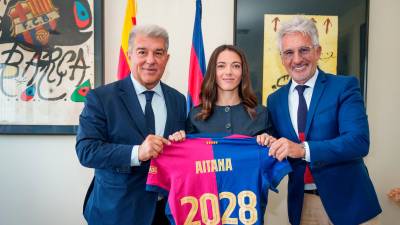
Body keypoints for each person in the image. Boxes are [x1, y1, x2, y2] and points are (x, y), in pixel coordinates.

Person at [259, 16, 381, 225]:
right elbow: (281, 148)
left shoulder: (344, 87)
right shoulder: (274, 100)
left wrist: (303, 150)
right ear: (281, 58)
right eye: (289, 52)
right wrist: (268, 142)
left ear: (318, 51)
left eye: (304, 50)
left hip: (350, 202)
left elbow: (359, 141)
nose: (297, 59)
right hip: (303, 205)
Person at [75, 24, 186, 225]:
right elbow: (87, 151)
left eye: (158, 53)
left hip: (166, 213)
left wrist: (181, 141)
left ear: (166, 59)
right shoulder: (101, 98)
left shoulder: (178, 100)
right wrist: (137, 153)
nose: (150, 60)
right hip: (116, 213)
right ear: (130, 55)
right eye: (142, 52)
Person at [170, 44, 274, 144]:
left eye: (236, 66)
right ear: (213, 72)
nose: (228, 72)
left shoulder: (261, 114)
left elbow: (274, 156)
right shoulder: (195, 116)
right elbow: (189, 157)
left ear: (243, 72)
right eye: (221, 66)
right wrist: (177, 141)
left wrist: (269, 141)